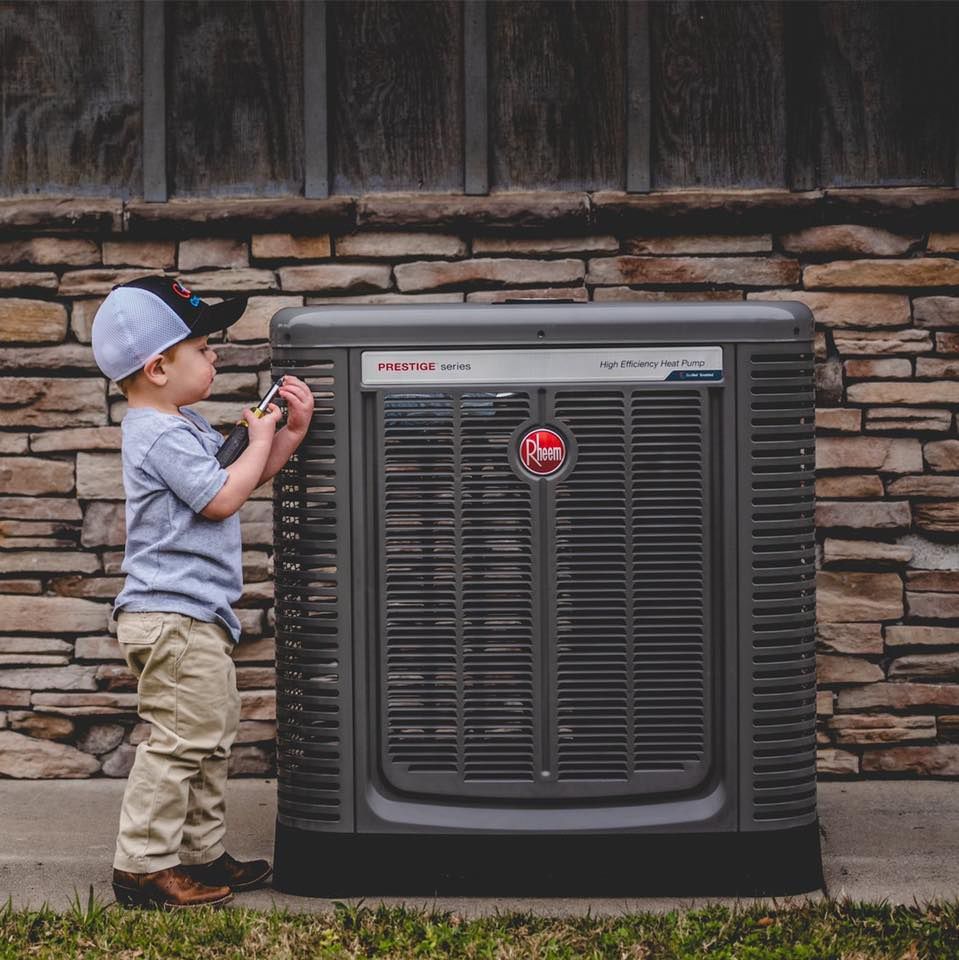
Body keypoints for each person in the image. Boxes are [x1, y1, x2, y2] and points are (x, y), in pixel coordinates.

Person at [90, 275, 314, 908]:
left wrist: (284, 436)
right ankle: (142, 866)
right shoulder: (155, 434)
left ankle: (200, 853)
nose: (215, 357)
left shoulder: (180, 422)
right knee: (180, 741)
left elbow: (236, 474)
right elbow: (221, 500)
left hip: (192, 616)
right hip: (171, 617)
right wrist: (265, 439)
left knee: (210, 738)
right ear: (158, 366)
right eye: (205, 348)